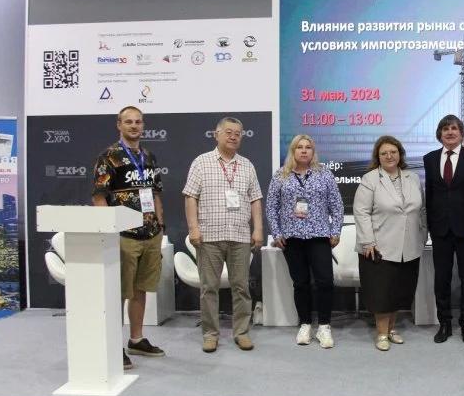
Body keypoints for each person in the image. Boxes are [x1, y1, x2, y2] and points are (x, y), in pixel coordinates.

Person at [92, 105, 166, 370]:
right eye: (129, 122)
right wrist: (109, 230)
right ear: (119, 125)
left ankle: (136, 339)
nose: (134, 126)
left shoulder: (149, 156)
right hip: (123, 235)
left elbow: (155, 193)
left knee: (140, 289)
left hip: (150, 233)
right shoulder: (109, 156)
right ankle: (114, 345)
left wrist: (160, 225)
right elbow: (99, 196)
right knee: (119, 292)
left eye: (138, 122)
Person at [183, 117, 264, 353]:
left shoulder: (247, 165)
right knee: (209, 288)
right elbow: (190, 196)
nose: (233, 136)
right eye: (228, 132)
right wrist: (193, 228)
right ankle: (210, 334)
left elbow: (255, 199)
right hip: (209, 236)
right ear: (216, 134)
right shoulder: (201, 162)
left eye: (238, 133)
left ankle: (242, 333)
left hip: (240, 236)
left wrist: (258, 229)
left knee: (241, 288)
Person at [266, 134, 344, 348]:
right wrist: (277, 233)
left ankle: (324, 327)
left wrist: (336, 231)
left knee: (325, 282)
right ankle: (305, 324)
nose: (303, 150)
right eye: (299, 147)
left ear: (313, 151)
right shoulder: (280, 175)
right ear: (293, 151)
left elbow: (337, 205)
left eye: (308, 147)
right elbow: (271, 207)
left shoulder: (324, 174)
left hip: (319, 235)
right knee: (300, 283)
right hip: (292, 237)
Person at [353, 136, 427, 351]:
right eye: (384, 153)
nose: (389, 156)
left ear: (400, 154)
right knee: (382, 293)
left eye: (393, 152)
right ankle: (382, 333)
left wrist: (423, 234)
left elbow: (421, 209)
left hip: (409, 246)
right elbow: (361, 211)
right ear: (378, 157)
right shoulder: (370, 179)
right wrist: (368, 241)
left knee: (399, 290)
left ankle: (392, 329)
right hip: (379, 247)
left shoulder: (413, 177)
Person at [423, 115, 464, 344]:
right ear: (439, 134)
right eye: (445, 129)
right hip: (440, 230)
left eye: (454, 129)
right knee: (442, 279)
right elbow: (430, 195)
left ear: (461, 134)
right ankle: (445, 324)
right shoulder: (430, 159)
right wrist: (429, 226)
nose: (450, 132)